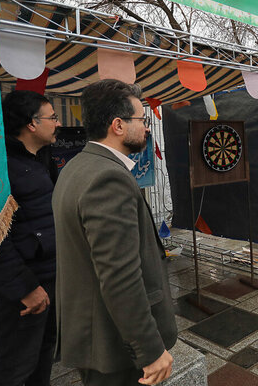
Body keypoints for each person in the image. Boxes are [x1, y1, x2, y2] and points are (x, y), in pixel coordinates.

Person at [53, 80, 177, 386]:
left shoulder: (76, 166)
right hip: (114, 346)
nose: (147, 129)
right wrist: (150, 350)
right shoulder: (108, 177)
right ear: (118, 125)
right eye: (142, 120)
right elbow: (119, 275)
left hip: (94, 335)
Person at [0, 91, 61, 386]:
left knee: (43, 357)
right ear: (31, 124)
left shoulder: (40, 158)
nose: (57, 123)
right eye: (52, 117)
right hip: (25, 288)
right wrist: (25, 287)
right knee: (16, 364)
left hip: (49, 277)